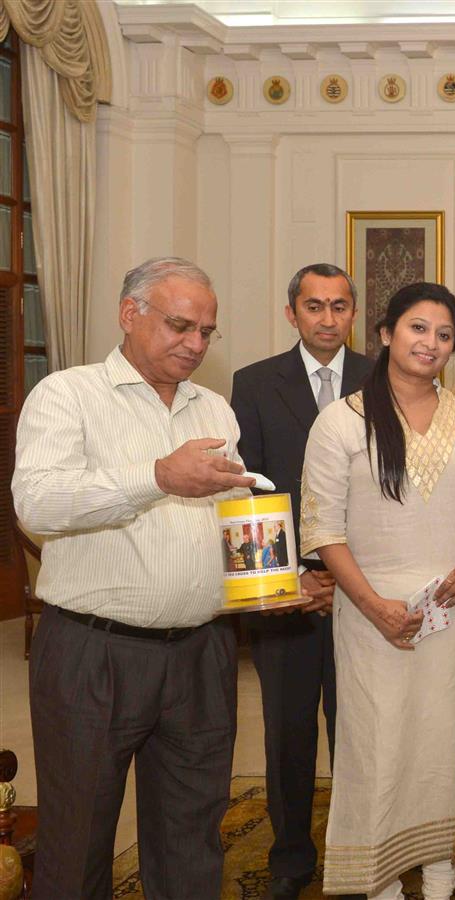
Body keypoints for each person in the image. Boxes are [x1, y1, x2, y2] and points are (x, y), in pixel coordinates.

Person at [13, 256, 257, 897]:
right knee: (79, 843)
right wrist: (155, 477)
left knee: (192, 841)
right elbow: (37, 504)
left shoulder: (217, 409)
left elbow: (230, 516)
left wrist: (272, 577)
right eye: (181, 325)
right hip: (94, 654)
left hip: (203, 653)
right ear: (130, 314)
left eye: (207, 332)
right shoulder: (67, 394)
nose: (195, 344)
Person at [300, 282, 455, 900]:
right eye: (418, 328)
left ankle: (441, 873)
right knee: (379, 745)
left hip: (451, 612)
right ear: (387, 333)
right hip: (373, 616)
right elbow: (322, 528)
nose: (431, 343)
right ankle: (382, 883)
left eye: (444, 335)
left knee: (442, 744)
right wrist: (374, 607)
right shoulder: (341, 420)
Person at [229, 261, 373, 900]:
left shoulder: (383, 377)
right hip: (286, 596)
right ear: (293, 313)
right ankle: (290, 857)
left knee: (361, 729)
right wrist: (289, 581)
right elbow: (247, 495)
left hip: (364, 593)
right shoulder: (255, 384)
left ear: (353, 313)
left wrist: (349, 580)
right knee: (288, 732)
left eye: (339, 306)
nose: (328, 318)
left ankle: (361, 847)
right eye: (315, 306)